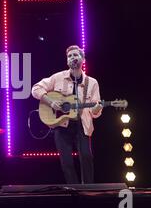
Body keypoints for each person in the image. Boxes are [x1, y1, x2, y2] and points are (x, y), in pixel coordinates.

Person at [31, 45, 103, 184]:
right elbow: (36, 88)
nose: (72, 58)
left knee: (87, 157)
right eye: (69, 56)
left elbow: (96, 113)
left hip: (82, 125)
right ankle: (74, 191)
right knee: (66, 162)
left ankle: (88, 191)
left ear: (82, 59)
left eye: (75, 55)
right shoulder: (58, 77)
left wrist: (96, 108)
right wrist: (51, 102)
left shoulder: (92, 82)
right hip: (62, 125)